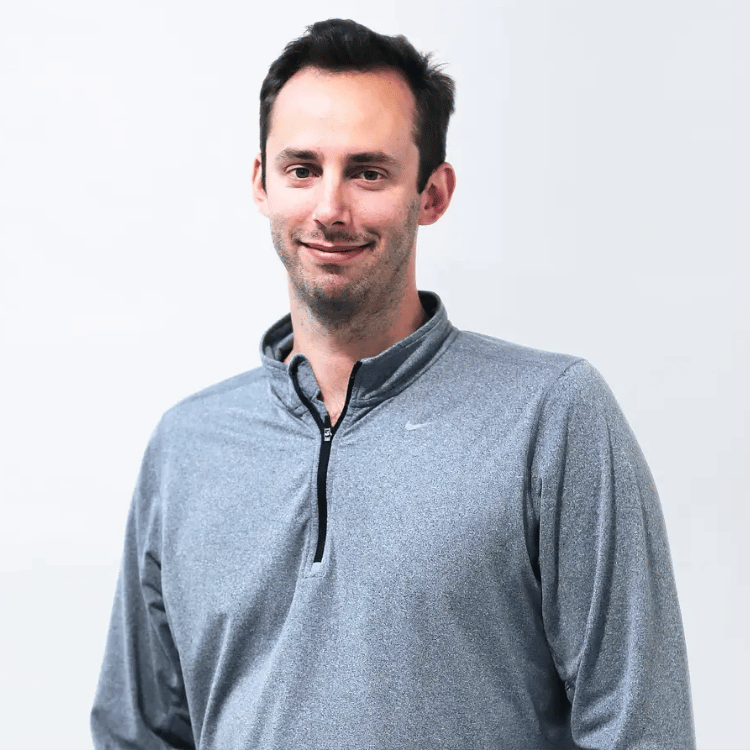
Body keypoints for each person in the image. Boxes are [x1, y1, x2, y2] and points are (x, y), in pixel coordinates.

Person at [91, 18, 695, 750]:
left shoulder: (551, 418)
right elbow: (139, 734)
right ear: (261, 183)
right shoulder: (187, 446)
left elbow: (640, 727)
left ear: (432, 194)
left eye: (368, 173)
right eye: (302, 169)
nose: (330, 209)